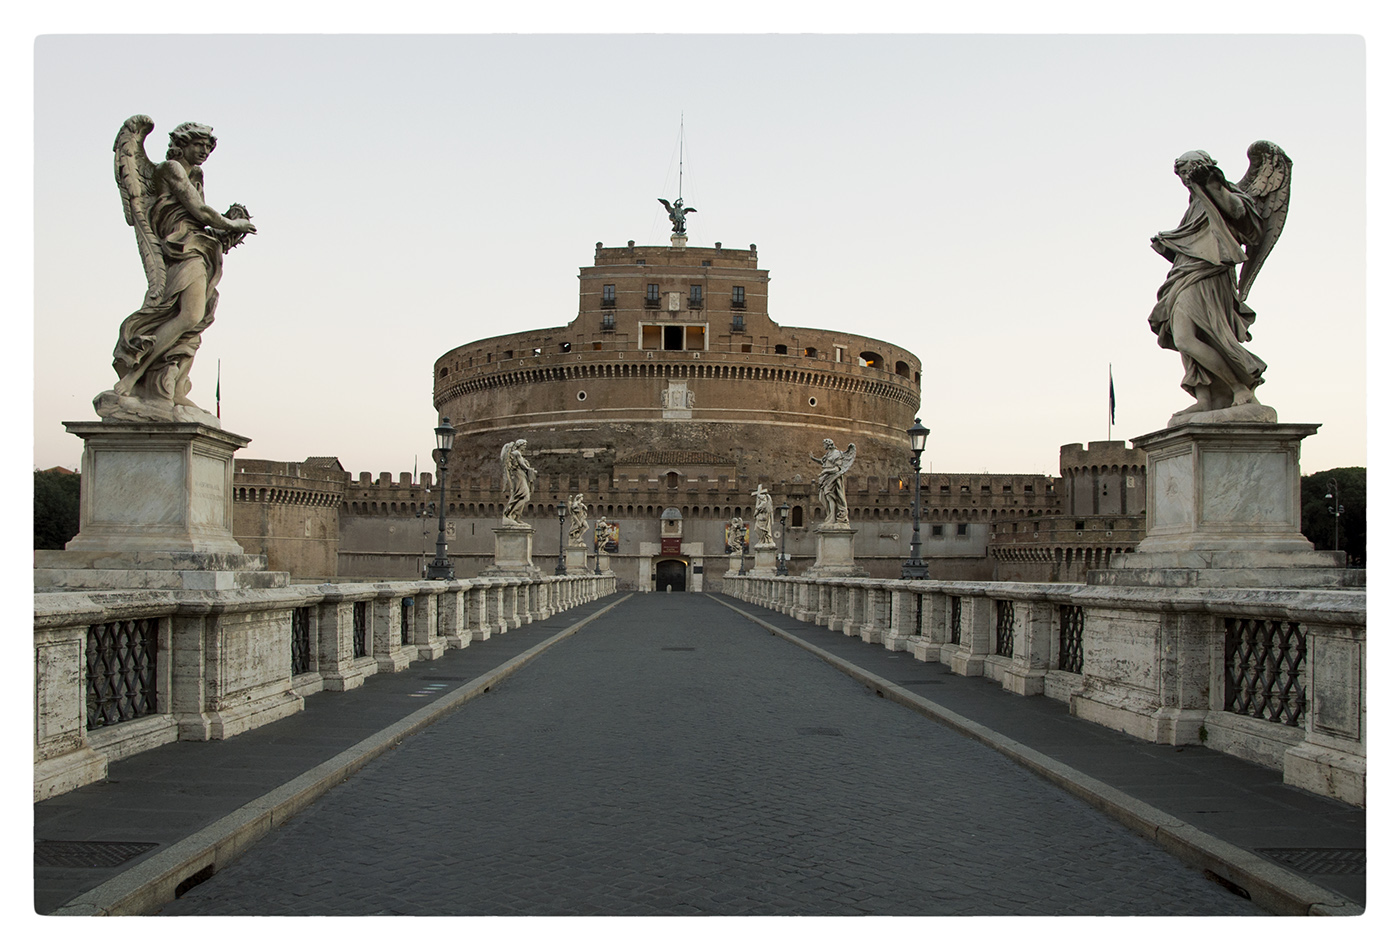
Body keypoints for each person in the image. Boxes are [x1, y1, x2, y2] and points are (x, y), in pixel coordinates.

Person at [112, 119, 256, 406]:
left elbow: (201, 221)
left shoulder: (196, 176)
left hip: (199, 248)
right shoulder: (170, 169)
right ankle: (133, 377)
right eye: (198, 145)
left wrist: (225, 233)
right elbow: (200, 212)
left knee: (196, 320)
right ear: (182, 145)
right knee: (188, 315)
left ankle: (173, 389)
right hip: (181, 248)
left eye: (208, 147)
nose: (204, 151)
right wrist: (232, 222)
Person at [1148, 150, 1269, 419]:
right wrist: (1168, 246)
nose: (1183, 177)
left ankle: (1240, 387)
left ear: (1202, 167)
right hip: (1185, 273)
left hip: (1209, 275)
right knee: (1185, 338)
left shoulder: (1221, 190)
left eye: (1187, 170)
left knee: (1196, 335)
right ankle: (1206, 398)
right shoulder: (1194, 206)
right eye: (1180, 173)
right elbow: (1196, 243)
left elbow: (1241, 217)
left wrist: (1213, 185)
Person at [811, 439, 857, 525]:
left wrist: (825, 471)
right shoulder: (828, 454)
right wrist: (813, 459)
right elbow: (823, 462)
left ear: (828, 444)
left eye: (824, 444)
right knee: (822, 498)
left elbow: (837, 469)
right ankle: (829, 516)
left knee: (830, 496)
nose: (823, 446)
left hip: (832, 477)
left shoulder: (837, 453)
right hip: (825, 478)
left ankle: (832, 518)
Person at [500, 439, 537, 525]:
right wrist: (529, 469)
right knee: (523, 495)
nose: (525, 446)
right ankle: (509, 514)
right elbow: (521, 464)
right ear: (520, 445)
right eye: (524, 445)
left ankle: (516, 517)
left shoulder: (518, 454)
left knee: (522, 496)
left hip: (521, 475)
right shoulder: (516, 453)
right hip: (518, 476)